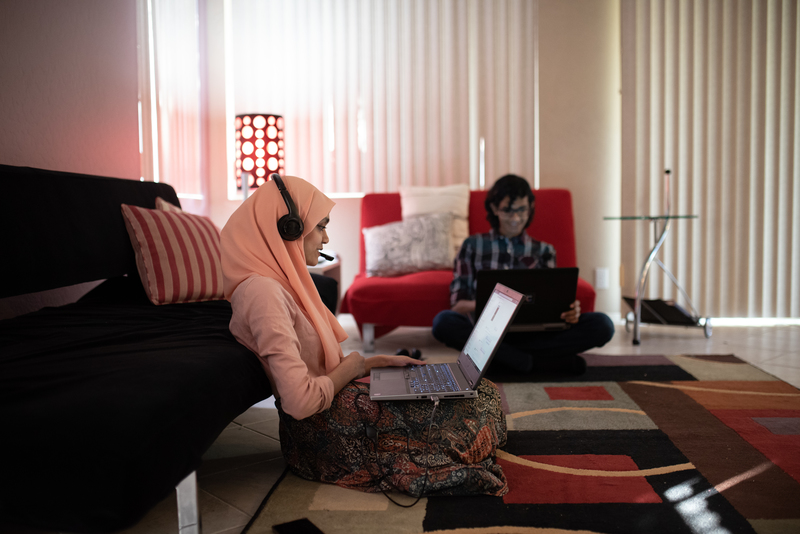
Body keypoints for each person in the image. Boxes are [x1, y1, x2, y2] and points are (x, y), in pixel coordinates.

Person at [220, 174, 509, 497]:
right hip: (321, 432)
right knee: (477, 402)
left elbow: (314, 365)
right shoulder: (264, 293)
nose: (326, 238)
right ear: (289, 229)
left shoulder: (279, 284)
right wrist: (355, 368)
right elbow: (300, 403)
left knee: (476, 391)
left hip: (331, 409)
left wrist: (376, 363)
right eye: (320, 226)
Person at [432, 174, 615, 375]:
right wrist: (501, 305)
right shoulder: (472, 246)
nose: (516, 218)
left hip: (536, 334)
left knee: (602, 324)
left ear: (530, 208)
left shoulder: (544, 251)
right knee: (443, 322)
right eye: (508, 211)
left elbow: (553, 303)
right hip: (488, 335)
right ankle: (540, 364)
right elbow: (458, 305)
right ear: (494, 208)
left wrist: (570, 310)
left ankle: (504, 361)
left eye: (521, 210)